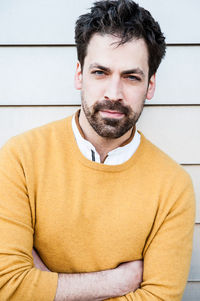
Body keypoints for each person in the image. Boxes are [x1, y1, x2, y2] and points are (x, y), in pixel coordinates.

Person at [0, 0, 195, 300]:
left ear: (151, 85)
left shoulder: (173, 187)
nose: (114, 94)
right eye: (100, 72)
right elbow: (7, 286)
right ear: (79, 74)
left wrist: (45, 283)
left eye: (131, 77)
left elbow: (160, 298)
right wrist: (116, 282)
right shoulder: (20, 159)